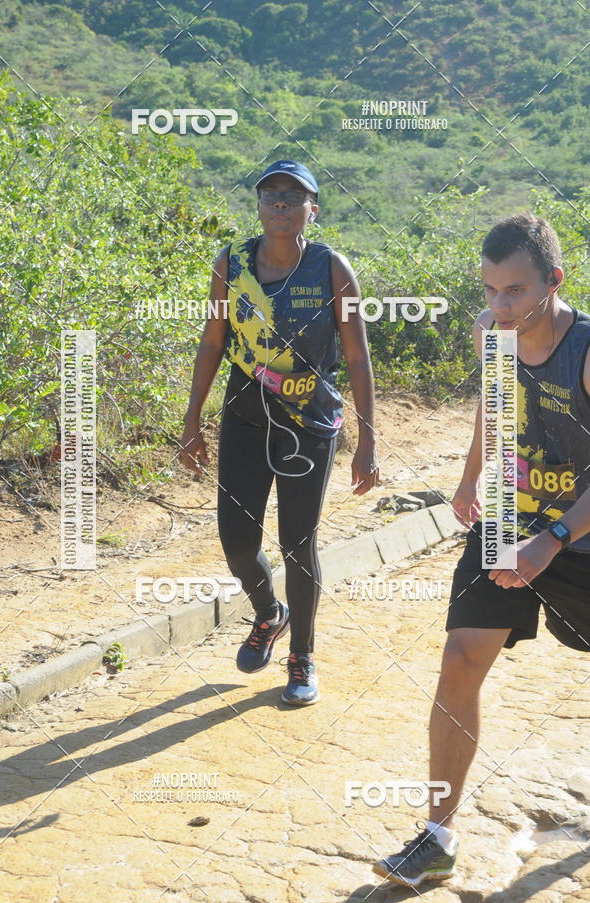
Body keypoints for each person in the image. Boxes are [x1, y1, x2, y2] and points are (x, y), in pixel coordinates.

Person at [373, 213, 590, 887]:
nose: (500, 307)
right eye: (490, 290)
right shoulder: (490, 333)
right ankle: (438, 835)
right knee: (461, 655)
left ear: (553, 282)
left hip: (577, 532)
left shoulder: (586, 351)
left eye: (515, 292)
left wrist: (552, 540)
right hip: (508, 516)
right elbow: (494, 411)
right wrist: (470, 478)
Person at [179, 160, 379, 705]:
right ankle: (271, 613)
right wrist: (192, 421)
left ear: (314, 208)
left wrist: (368, 440)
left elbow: (358, 358)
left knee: (298, 542)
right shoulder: (231, 262)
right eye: (271, 197)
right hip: (245, 418)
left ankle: (302, 657)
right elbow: (213, 340)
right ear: (259, 205)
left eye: (294, 198)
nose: (281, 206)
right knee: (238, 544)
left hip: (309, 423)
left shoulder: (332, 269)